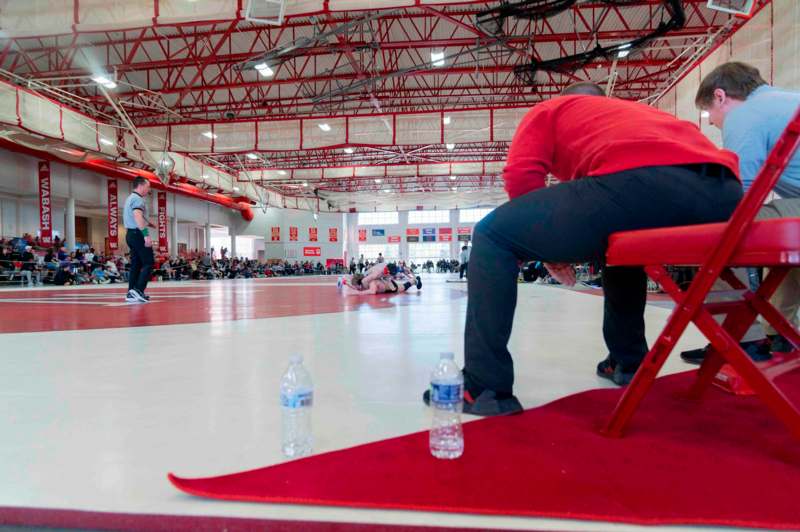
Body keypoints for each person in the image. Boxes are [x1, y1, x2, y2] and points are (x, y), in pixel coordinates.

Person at [422, 81, 743, 416]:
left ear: (570, 99)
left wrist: (545, 249)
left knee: (491, 234)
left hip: (642, 180)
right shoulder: (642, 113)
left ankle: (483, 386)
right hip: (723, 195)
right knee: (620, 248)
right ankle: (627, 360)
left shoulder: (550, 109)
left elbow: (521, 175)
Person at [679, 62, 800, 363]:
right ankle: (780, 334)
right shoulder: (787, 100)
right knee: (783, 242)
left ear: (720, 96)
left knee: (717, 232)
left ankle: (738, 339)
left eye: (709, 113)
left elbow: (738, 194)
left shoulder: (745, 115)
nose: (711, 122)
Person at [123, 176, 156, 303]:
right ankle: (138, 290)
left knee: (136, 265)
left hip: (130, 235)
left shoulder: (129, 198)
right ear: (141, 186)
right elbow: (137, 216)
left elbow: (135, 217)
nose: (149, 189)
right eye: (148, 186)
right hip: (138, 234)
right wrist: (146, 234)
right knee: (149, 262)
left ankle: (131, 292)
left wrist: (148, 223)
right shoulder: (138, 200)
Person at [342, 262, 422, 296]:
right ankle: (414, 280)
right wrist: (346, 283)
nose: (357, 288)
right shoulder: (371, 277)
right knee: (402, 286)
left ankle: (415, 280)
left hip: (388, 285)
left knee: (403, 287)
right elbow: (359, 286)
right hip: (384, 282)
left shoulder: (371, 280)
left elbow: (371, 291)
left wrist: (357, 292)